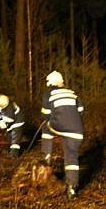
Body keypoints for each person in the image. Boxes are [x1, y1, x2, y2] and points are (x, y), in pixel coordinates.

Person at [40, 70, 84, 199]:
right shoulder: (72, 93)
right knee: (72, 158)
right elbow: (81, 111)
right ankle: (72, 187)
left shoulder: (49, 93)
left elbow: (45, 114)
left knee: (45, 127)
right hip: (77, 131)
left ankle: (46, 156)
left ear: (49, 82)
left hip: (59, 126)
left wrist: (54, 121)